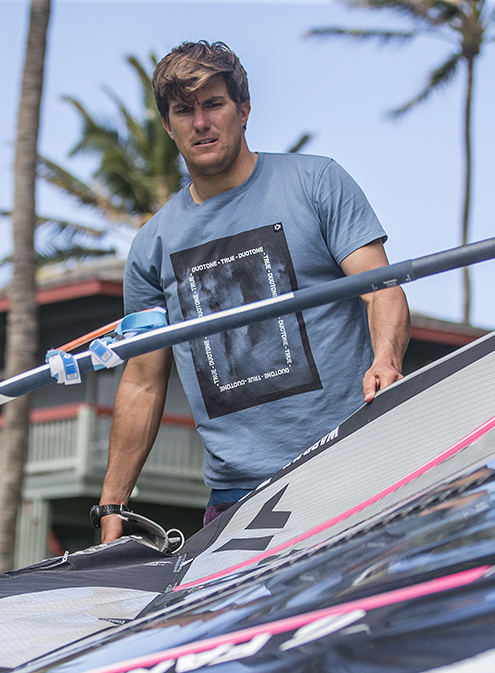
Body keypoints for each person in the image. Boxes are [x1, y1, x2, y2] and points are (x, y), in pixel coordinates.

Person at [96, 40, 410, 541]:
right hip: (237, 501)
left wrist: (386, 359)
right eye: (184, 110)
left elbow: (381, 289)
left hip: (351, 457)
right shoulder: (152, 246)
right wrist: (113, 503)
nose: (201, 123)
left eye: (214, 104)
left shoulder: (316, 182)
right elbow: (143, 380)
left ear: (242, 110)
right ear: (168, 125)